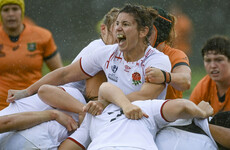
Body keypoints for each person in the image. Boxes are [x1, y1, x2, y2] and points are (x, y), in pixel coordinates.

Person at [7, 4, 171, 119]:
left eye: (125, 24)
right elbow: (65, 73)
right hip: (97, 108)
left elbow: (146, 95)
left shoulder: (157, 59)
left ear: (143, 31)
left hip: (135, 115)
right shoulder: (105, 51)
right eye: (117, 24)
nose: (118, 29)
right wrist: (27, 91)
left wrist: (104, 103)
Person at [0, 7, 120, 149]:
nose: (121, 37)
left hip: (45, 108)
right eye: (118, 29)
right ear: (104, 29)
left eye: (15, 9)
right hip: (60, 107)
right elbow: (56, 82)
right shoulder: (102, 51)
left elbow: (59, 76)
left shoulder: (104, 50)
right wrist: (53, 114)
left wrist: (29, 93)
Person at [58, 82, 216, 150]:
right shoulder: (145, 106)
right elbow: (182, 105)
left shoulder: (93, 115)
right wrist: (202, 112)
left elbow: (105, 87)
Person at [0, 0, 63, 109]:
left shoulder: (42, 36)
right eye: (6, 10)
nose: (10, 14)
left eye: (15, 9)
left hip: (34, 104)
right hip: (2, 106)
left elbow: (60, 74)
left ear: (22, 12)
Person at [146, 6, 191, 99]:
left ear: (160, 33)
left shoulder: (174, 54)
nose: (142, 34)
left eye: (148, 30)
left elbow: (186, 81)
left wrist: (165, 76)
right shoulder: (135, 52)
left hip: (168, 111)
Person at [190, 35, 230, 115]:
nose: (213, 65)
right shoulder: (204, 86)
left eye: (219, 60)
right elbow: (189, 119)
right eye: (208, 60)